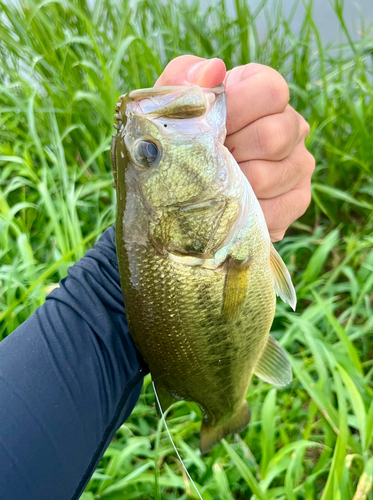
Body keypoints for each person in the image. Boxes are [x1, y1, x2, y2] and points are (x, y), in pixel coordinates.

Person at [0, 56, 315, 500]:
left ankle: (222, 410)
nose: (146, 141)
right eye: (149, 154)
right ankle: (226, 411)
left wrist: (115, 282)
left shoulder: (182, 240)